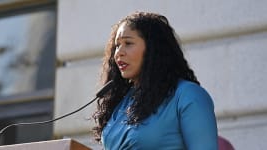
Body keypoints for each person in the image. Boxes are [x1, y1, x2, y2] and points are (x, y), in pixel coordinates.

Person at [92, 11, 218, 149]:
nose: (118, 53)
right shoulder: (122, 103)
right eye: (117, 45)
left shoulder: (188, 95)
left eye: (128, 43)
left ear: (153, 49)